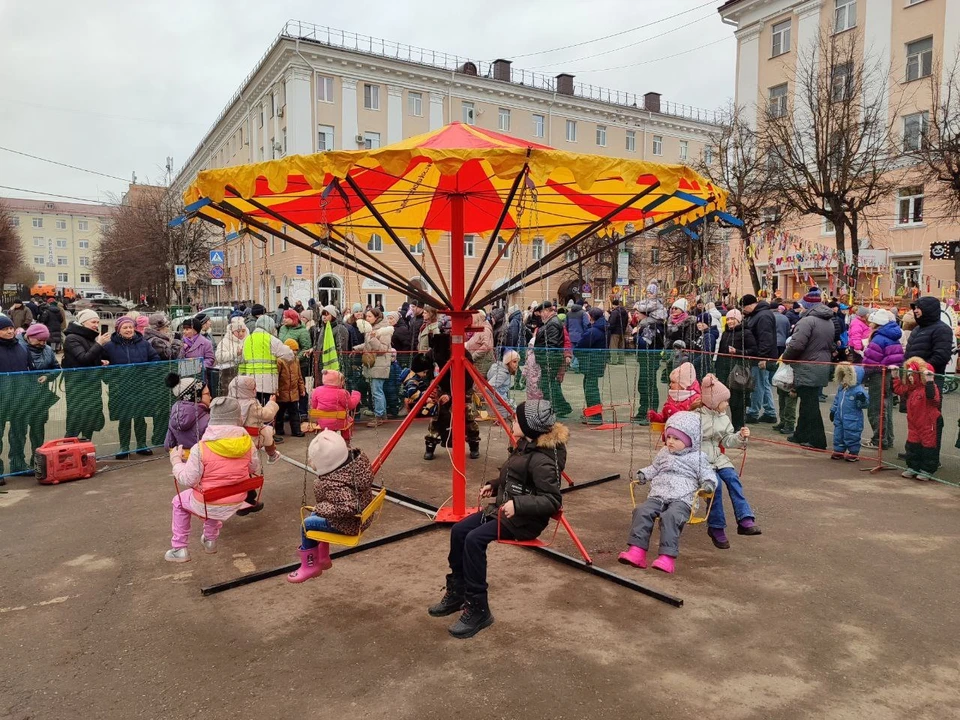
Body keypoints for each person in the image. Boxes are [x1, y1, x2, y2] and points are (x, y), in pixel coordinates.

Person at [428, 399, 566, 638]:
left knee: (474, 540)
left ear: (529, 426)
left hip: (525, 520)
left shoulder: (543, 459)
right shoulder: (525, 445)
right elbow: (514, 473)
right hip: (505, 510)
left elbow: (553, 501)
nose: (512, 421)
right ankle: (458, 591)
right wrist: (495, 485)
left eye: (516, 419)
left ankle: (479, 608)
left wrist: (518, 504)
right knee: (460, 531)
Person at [618, 411, 718, 574]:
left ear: (691, 440)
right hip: (658, 495)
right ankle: (637, 552)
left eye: (676, 439)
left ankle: (667, 558)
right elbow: (655, 468)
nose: (670, 441)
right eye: (669, 437)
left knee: (670, 517)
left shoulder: (698, 458)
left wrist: (708, 484)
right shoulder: (664, 452)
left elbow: (708, 473)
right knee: (641, 511)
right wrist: (644, 474)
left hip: (682, 500)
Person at [165, 396, 262, 563]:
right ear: (237, 418)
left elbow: (187, 479)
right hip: (237, 498)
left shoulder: (201, 448)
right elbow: (254, 468)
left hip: (210, 500)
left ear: (213, 419)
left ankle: (179, 548)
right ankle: (210, 540)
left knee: (180, 501)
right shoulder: (247, 443)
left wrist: (176, 461)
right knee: (212, 493)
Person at [286, 430, 375, 583]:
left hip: (350, 524)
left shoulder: (333, 483)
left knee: (307, 524)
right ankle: (323, 557)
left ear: (325, 463)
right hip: (363, 516)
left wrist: (321, 508)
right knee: (315, 517)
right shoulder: (356, 464)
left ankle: (309, 565)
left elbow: (348, 507)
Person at [698, 375, 760, 550]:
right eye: (724, 401)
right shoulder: (696, 417)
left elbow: (726, 440)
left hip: (718, 458)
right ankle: (716, 527)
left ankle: (745, 519)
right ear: (712, 401)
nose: (726, 404)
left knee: (733, 479)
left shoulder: (723, 417)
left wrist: (740, 437)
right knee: (715, 487)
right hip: (701, 460)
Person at [781, 291, 835, 450]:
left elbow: (797, 344)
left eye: (803, 304)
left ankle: (817, 440)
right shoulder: (828, 321)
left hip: (807, 365)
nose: (800, 307)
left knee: (810, 404)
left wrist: (785, 357)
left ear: (809, 305)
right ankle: (801, 433)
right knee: (806, 402)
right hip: (820, 365)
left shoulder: (807, 321)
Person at [904, 296, 954, 465]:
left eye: (918, 307)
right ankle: (915, 455)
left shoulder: (942, 330)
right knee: (914, 421)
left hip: (930, 381)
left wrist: (923, 369)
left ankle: (931, 459)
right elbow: (910, 352)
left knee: (930, 422)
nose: (915, 310)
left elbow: (941, 355)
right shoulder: (918, 329)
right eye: (915, 307)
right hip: (913, 381)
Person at [103, 316, 161, 458]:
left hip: (140, 386)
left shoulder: (144, 344)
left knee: (140, 417)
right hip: (120, 388)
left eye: (130, 327)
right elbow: (103, 366)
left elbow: (155, 360)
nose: (129, 330)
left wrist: (147, 375)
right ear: (118, 330)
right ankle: (124, 447)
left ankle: (141, 445)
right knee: (124, 418)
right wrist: (112, 379)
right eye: (125, 327)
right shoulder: (109, 346)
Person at [61, 310, 110, 442]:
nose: (96, 325)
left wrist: (100, 362)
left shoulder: (90, 338)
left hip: (92, 384)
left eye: (98, 322)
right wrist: (99, 344)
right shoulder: (72, 338)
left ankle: (85, 452)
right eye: (93, 322)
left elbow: (90, 358)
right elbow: (83, 358)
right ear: (83, 323)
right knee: (75, 422)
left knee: (90, 421)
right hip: (78, 386)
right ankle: (68, 452)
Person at [861, 309, 903, 450]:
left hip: (879, 375)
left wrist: (863, 376)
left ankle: (878, 439)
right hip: (890, 374)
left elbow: (870, 361)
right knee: (887, 407)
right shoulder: (893, 336)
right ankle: (887, 438)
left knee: (876, 408)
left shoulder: (878, 338)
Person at [18, 323, 60, 463]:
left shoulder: (47, 350)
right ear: (29, 337)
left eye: (44, 340)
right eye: (39, 340)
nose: (42, 343)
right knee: (18, 431)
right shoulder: (18, 348)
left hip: (40, 396)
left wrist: (48, 376)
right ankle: (18, 463)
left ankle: (36, 460)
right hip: (20, 396)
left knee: (38, 429)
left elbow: (56, 368)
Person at [893, 357, 941, 480]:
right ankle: (913, 467)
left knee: (928, 446)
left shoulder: (929, 387)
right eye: (909, 375)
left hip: (929, 422)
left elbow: (934, 399)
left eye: (912, 375)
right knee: (913, 444)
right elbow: (899, 389)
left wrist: (930, 381)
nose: (910, 377)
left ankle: (927, 470)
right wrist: (896, 377)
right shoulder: (912, 388)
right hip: (914, 423)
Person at [714, 309, 756, 431]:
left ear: (738, 320)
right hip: (724, 369)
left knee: (738, 402)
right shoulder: (726, 333)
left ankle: (739, 428)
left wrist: (737, 352)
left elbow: (753, 350)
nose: (730, 321)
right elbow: (721, 351)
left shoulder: (746, 333)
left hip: (738, 371)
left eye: (732, 319)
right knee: (725, 400)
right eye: (728, 319)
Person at [0, 314, 31, 477]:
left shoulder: (22, 346)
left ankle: (18, 465)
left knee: (19, 432)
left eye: (11, 328)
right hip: (1, 397)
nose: (9, 331)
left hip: (20, 397)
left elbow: (30, 368)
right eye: (5, 329)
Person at [239, 315, 294, 405]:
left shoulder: (248, 339)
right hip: (267, 383)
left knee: (254, 409)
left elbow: (242, 362)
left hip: (250, 382)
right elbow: (288, 355)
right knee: (267, 410)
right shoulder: (270, 339)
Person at [741, 294, 778, 424]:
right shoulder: (758, 315)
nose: (743, 310)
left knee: (757, 385)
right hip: (761, 355)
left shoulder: (763, 316)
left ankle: (753, 412)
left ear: (751, 305)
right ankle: (770, 412)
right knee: (764, 383)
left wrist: (763, 357)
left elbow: (765, 339)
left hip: (761, 356)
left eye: (744, 307)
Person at [227, 375, 279, 468]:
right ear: (246, 390)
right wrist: (272, 403)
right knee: (268, 432)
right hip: (252, 436)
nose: (255, 390)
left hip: (233, 435)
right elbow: (267, 414)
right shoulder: (251, 405)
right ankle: (272, 454)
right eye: (253, 388)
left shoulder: (230, 402)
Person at [355, 307, 394, 428]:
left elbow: (383, 349)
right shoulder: (370, 329)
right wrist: (357, 348)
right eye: (366, 316)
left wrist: (372, 338)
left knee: (377, 391)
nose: (367, 318)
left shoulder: (383, 331)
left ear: (377, 317)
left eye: (369, 316)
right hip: (372, 364)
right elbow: (368, 345)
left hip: (379, 364)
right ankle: (382, 414)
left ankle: (379, 416)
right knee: (376, 390)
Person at [532, 301, 572, 417]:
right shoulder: (551, 323)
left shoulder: (553, 323)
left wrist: (545, 357)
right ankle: (557, 407)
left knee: (548, 384)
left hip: (550, 359)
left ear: (546, 311)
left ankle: (559, 407)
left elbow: (552, 344)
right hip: (549, 358)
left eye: (541, 312)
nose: (540, 316)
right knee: (549, 384)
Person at [632, 299, 666, 424]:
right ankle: (643, 411)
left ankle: (651, 413)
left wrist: (635, 335)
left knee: (649, 385)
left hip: (650, 358)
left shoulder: (651, 326)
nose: (636, 314)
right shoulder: (645, 325)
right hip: (644, 359)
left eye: (638, 312)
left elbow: (644, 343)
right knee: (643, 384)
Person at [574, 307, 608, 425]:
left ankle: (595, 416)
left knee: (591, 389)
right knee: (590, 387)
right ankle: (592, 413)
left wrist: (576, 352)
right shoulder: (601, 329)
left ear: (591, 317)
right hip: (595, 362)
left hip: (591, 362)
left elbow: (581, 346)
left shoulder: (593, 331)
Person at [830, 363, 869, 462]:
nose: (843, 379)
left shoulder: (858, 390)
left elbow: (864, 404)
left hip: (853, 417)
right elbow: (837, 400)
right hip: (839, 416)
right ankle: (839, 450)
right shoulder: (842, 388)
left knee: (852, 434)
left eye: (845, 376)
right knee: (838, 433)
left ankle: (853, 452)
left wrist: (862, 400)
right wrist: (833, 410)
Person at [163, 373, 212, 450]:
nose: (210, 397)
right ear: (196, 396)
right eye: (207, 394)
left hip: (183, 460)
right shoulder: (208, 419)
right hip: (202, 459)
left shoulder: (174, 416)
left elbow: (168, 444)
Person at [310, 369, 362, 441]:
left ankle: (325, 439)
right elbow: (350, 406)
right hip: (339, 422)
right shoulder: (342, 393)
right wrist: (356, 395)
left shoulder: (317, 390)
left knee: (327, 422)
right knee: (349, 421)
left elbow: (314, 406)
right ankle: (346, 440)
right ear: (337, 381)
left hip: (322, 422)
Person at [275, 338, 306, 438]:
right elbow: (276, 377)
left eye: (297, 350)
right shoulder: (280, 361)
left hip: (293, 393)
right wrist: (276, 390)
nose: (296, 352)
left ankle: (296, 430)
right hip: (282, 392)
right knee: (280, 413)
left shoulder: (296, 360)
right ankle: (279, 430)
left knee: (294, 413)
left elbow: (299, 376)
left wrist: (302, 389)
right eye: (294, 350)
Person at [485, 350, 520, 420]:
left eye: (517, 362)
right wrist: (502, 401)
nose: (517, 365)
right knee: (517, 413)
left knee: (515, 407)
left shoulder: (499, 368)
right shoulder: (503, 374)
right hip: (497, 404)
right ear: (507, 362)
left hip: (494, 401)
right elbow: (489, 387)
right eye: (514, 362)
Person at [465, 310, 494, 376]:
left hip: (482, 365)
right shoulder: (480, 328)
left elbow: (487, 346)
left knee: (479, 383)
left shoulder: (485, 329)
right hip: (479, 364)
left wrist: (473, 356)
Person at [607, 298, 628, 365]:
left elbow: (612, 322)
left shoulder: (615, 312)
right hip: (622, 331)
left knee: (613, 347)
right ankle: (621, 360)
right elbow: (626, 322)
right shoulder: (625, 312)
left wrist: (609, 328)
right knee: (621, 346)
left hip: (615, 332)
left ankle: (613, 361)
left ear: (613, 305)